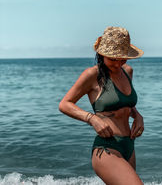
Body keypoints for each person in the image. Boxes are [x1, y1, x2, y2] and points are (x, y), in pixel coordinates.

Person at [59, 26, 144, 185]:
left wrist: (138, 115)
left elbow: (124, 104)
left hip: (129, 147)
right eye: (113, 59)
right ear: (102, 54)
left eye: (122, 58)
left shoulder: (127, 71)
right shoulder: (92, 75)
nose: (118, 64)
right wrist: (92, 119)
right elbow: (64, 104)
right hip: (106, 149)